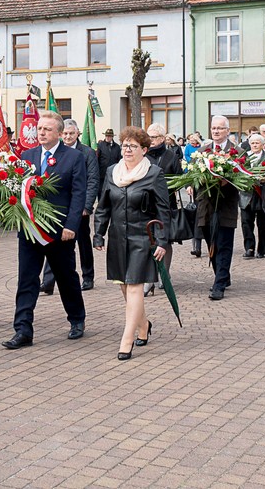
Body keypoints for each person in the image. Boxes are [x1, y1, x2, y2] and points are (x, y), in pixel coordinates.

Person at [3, 111, 87, 350]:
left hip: (59, 231)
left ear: (59, 133)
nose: (41, 133)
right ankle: (22, 329)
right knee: (27, 279)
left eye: (47, 129)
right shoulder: (27, 156)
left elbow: (78, 194)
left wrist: (71, 226)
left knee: (65, 277)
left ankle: (77, 318)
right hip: (30, 230)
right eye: (39, 128)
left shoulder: (73, 157)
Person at [93, 126, 170, 360]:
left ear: (144, 150)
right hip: (117, 237)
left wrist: (162, 241)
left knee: (136, 286)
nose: (127, 149)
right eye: (124, 144)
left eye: (133, 145)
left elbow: (164, 211)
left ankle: (127, 340)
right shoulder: (111, 172)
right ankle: (144, 325)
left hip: (142, 237)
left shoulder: (154, 174)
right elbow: (104, 206)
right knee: (124, 286)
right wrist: (99, 233)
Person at [39, 119, 99, 293]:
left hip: (79, 208)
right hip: (58, 209)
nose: (67, 136)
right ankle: (48, 282)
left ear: (78, 134)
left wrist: (86, 206)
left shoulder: (86, 153)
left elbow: (93, 180)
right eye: (65, 133)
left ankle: (88, 277)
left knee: (83, 243)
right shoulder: (56, 152)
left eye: (71, 133)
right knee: (52, 242)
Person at [196, 115, 240, 301]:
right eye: (213, 128)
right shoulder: (203, 150)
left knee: (223, 244)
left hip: (226, 205)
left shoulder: (236, 152)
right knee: (211, 242)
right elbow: (194, 174)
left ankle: (219, 284)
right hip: (206, 206)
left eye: (220, 128)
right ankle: (222, 274)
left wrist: (226, 181)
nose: (216, 131)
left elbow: (241, 180)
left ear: (227, 131)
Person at [142, 123, 182, 295]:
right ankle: (149, 279)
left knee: (165, 239)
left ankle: (164, 274)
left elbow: (179, 177)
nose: (151, 141)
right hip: (145, 205)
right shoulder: (143, 155)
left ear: (162, 138)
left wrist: (172, 185)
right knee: (147, 240)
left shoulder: (170, 156)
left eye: (155, 137)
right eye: (149, 137)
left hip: (167, 204)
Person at [239, 134, 265, 259]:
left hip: (262, 194)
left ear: (262, 144)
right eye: (252, 143)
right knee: (246, 223)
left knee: (263, 223)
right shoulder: (243, 158)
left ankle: (262, 249)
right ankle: (249, 248)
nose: (254, 145)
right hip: (246, 195)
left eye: (257, 143)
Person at [96, 128, 121, 195]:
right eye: (106, 135)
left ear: (112, 137)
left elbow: (119, 160)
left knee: (112, 192)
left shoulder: (117, 147)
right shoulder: (100, 145)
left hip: (113, 173)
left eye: (109, 136)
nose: (107, 137)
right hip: (102, 173)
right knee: (101, 191)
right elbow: (97, 158)